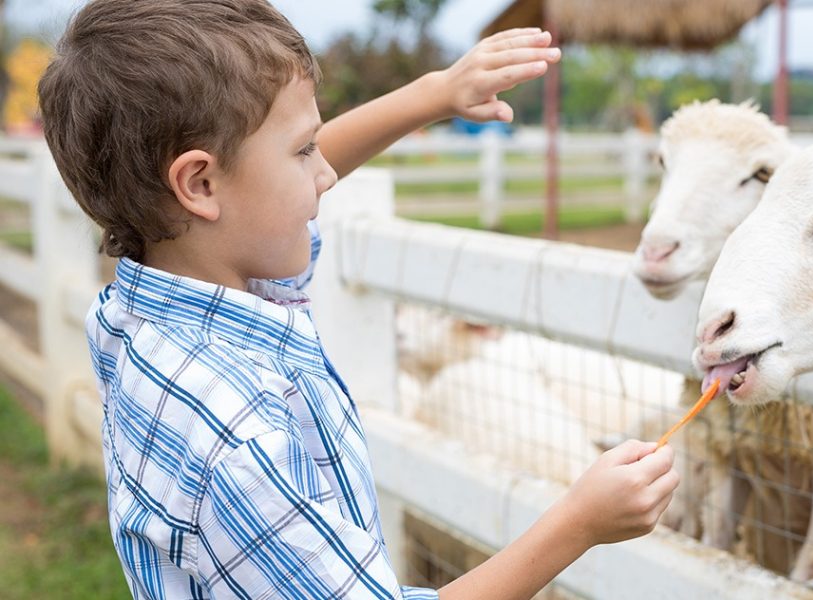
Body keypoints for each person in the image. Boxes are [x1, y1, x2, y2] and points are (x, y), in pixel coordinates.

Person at [36, 2, 680, 598]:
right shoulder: (238, 435)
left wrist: (433, 95)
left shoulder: (144, 311)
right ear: (199, 184)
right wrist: (578, 523)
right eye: (304, 150)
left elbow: (253, 185)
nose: (326, 174)